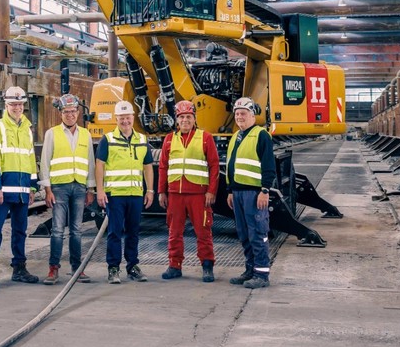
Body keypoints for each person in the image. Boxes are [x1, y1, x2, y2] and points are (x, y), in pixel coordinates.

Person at [0, 86, 40, 289]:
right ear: (6, 105)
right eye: (13, 104)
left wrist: (33, 187)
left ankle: (19, 268)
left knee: (20, 231)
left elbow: (30, 158)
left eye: (20, 104)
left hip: (23, 189)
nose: (17, 107)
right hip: (3, 190)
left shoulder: (27, 129)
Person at [158, 100, 220, 282]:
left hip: (199, 195)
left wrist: (211, 191)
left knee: (203, 231)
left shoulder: (205, 137)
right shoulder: (169, 139)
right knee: (174, 232)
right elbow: (163, 167)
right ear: (177, 120)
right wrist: (162, 191)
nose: (185, 120)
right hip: (175, 195)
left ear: (194, 119)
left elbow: (214, 166)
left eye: (188, 117)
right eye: (182, 117)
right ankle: (174, 266)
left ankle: (207, 266)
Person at [39, 93, 96, 285]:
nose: (70, 115)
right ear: (60, 113)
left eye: (73, 111)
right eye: (66, 112)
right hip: (59, 188)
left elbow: (90, 163)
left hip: (79, 187)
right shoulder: (52, 133)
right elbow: (44, 162)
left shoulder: (86, 135)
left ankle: (77, 268)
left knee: (77, 230)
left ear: (78, 113)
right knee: (57, 230)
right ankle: (53, 268)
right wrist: (47, 189)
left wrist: (90, 189)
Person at [95, 100, 154, 284]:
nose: (125, 121)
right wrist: (100, 191)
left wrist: (150, 190)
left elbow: (148, 167)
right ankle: (113, 268)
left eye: (127, 117)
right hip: (115, 195)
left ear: (133, 117)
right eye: (121, 118)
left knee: (133, 231)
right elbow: (100, 166)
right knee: (114, 232)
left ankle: (132, 266)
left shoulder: (142, 140)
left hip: (135, 194)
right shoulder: (108, 139)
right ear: (116, 119)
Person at [224, 96, 277, 290]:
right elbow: (232, 166)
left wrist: (265, 191)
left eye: (243, 114)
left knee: (257, 232)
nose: (239, 117)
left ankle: (262, 274)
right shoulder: (235, 137)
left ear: (252, 115)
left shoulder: (260, 135)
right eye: (237, 114)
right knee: (244, 233)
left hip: (254, 194)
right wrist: (230, 190)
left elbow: (268, 166)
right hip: (238, 193)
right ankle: (250, 269)